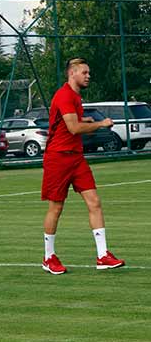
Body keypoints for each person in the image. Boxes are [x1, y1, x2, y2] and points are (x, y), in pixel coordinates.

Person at [41, 58, 125, 274]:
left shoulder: (75, 97)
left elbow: (72, 121)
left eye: (89, 72)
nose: (88, 76)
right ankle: (49, 257)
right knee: (56, 207)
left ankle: (102, 255)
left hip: (76, 158)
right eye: (85, 72)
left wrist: (85, 118)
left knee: (94, 201)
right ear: (73, 73)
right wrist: (100, 124)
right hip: (58, 158)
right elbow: (73, 129)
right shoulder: (65, 95)